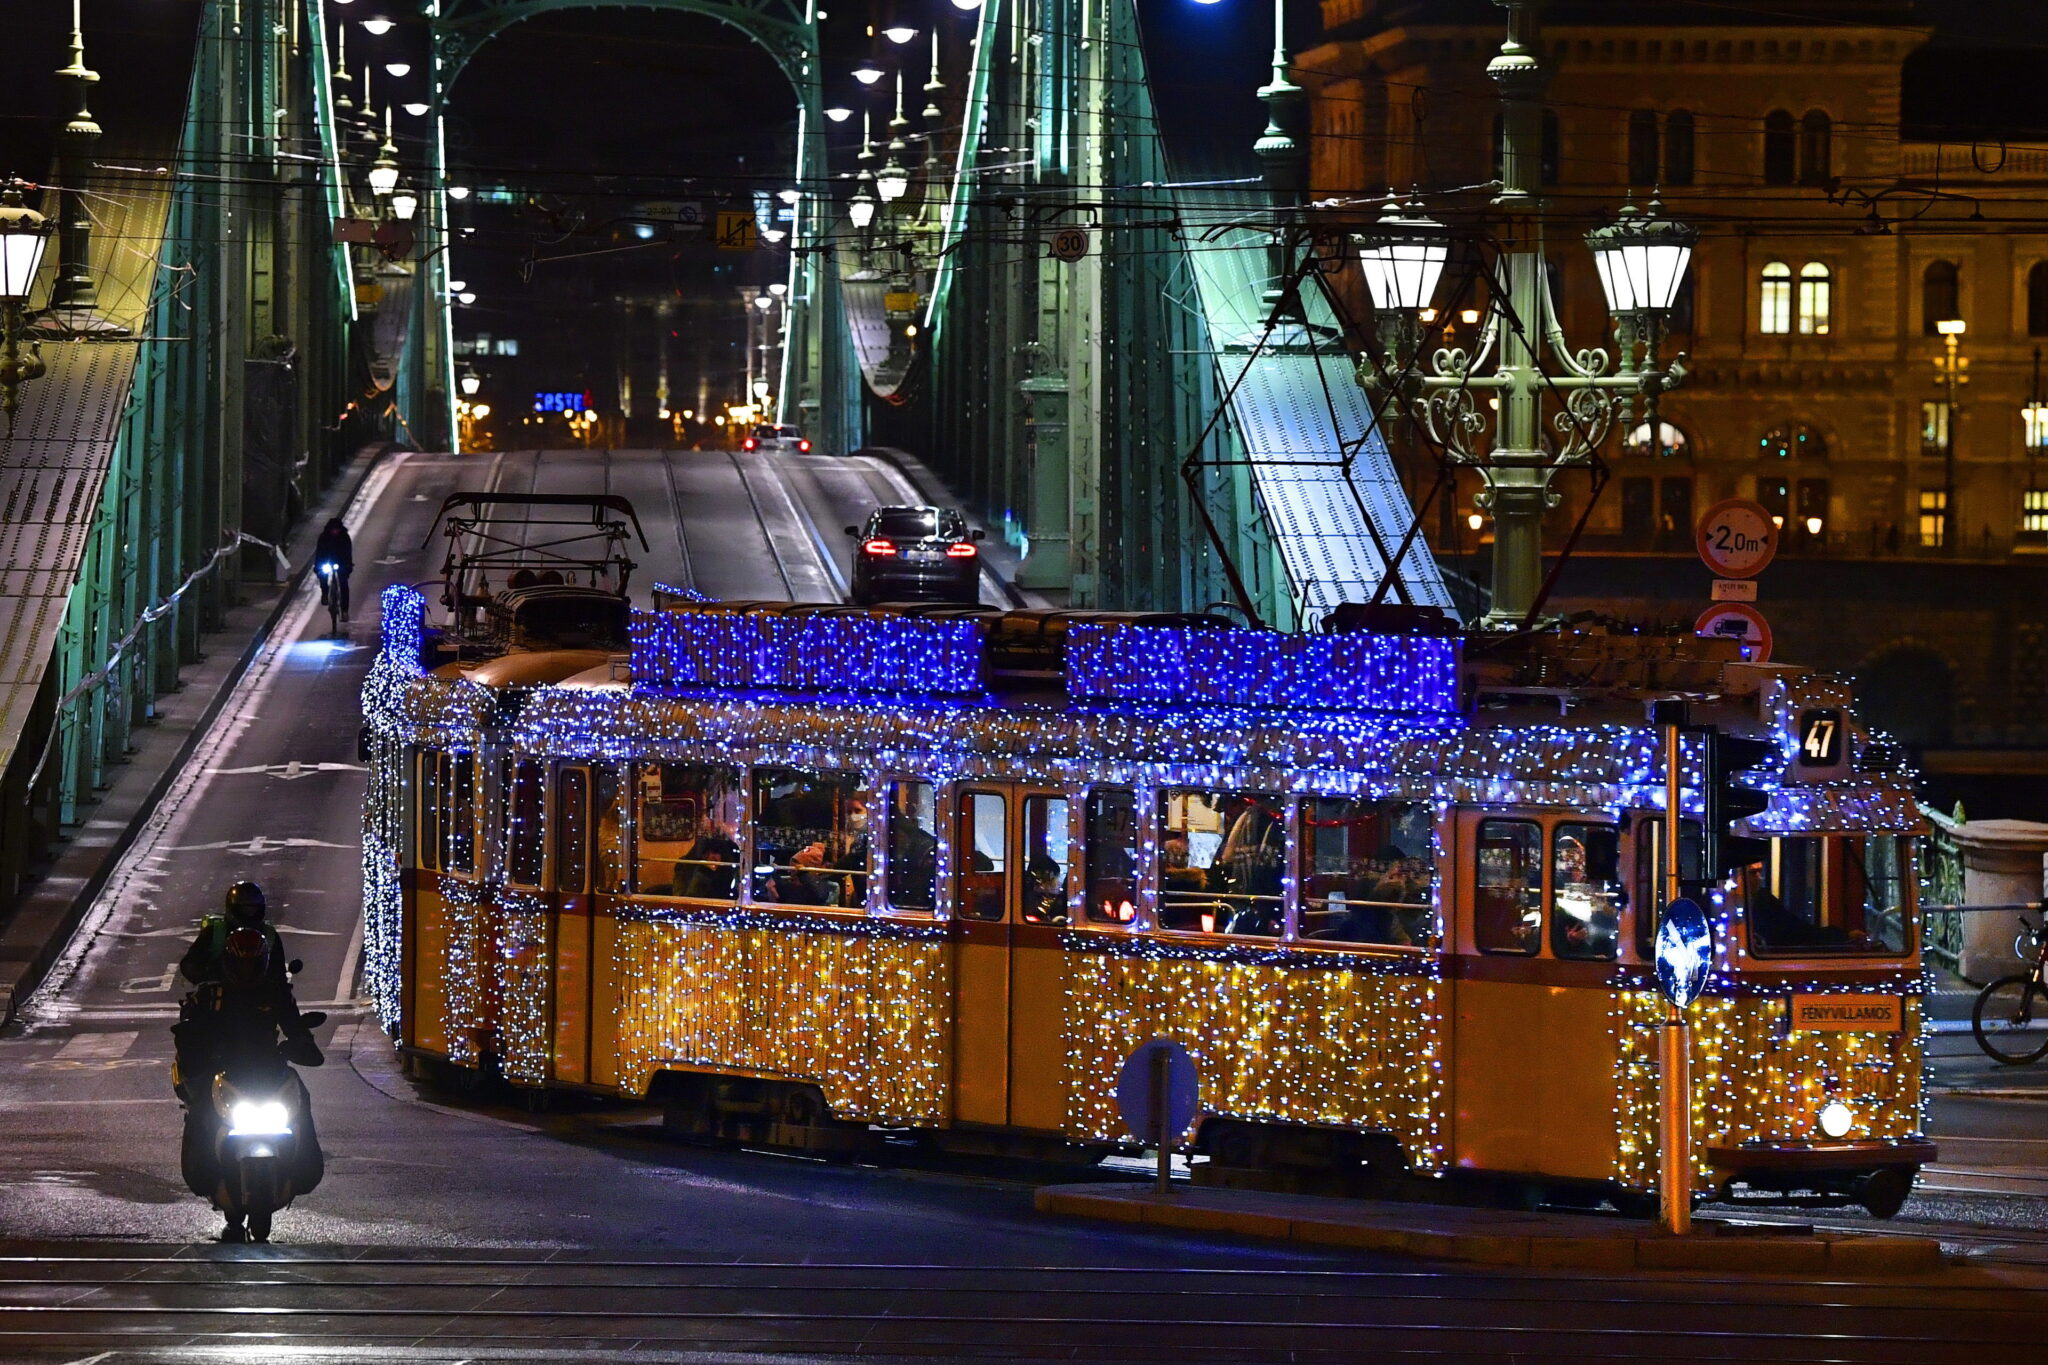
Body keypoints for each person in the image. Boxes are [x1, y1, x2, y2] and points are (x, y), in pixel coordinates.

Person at [173, 927, 324, 1241]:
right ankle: (202, 1175)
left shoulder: (275, 993)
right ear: (229, 962)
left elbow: (294, 1025)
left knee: (302, 1099)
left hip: (268, 1071)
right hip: (225, 1071)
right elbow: (192, 1030)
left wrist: (301, 1043)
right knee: (201, 1107)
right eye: (241, 964)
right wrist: (194, 1045)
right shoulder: (212, 994)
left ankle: (304, 1170)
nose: (246, 970)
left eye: (253, 964)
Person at [313, 518, 354, 622]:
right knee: (323, 575)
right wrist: (318, 566)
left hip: (341, 562)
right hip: (327, 560)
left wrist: (348, 566)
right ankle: (325, 593)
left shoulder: (345, 537)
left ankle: (344, 611)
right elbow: (319, 553)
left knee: (344, 584)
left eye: (337, 529)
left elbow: (348, 553)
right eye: (333, 529)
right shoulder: (323, 537)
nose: (335, 531)